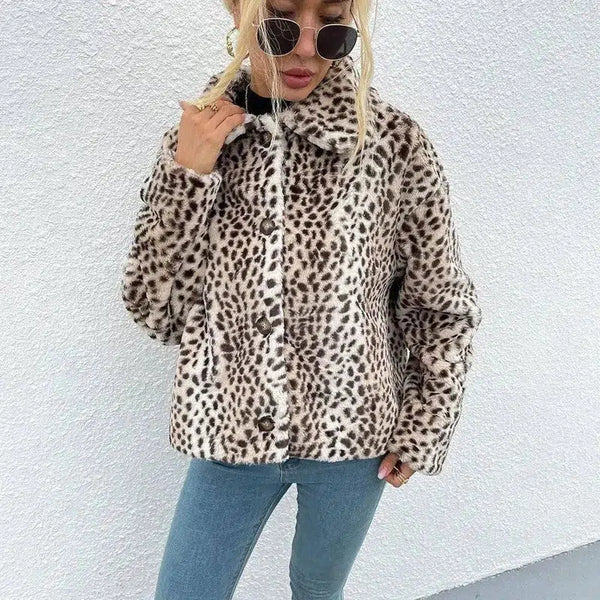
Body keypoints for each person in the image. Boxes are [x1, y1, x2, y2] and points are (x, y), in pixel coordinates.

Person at [121, 1, 483, 598]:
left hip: (355, 439)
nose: (308, 49)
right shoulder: (201, 140)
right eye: (282, 19)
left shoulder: (392, 143)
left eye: (333, 26)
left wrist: (425, 424)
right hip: (230, 436)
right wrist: (189, 177)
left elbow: (440, 305)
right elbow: (155, 311)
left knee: (318, 591)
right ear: (238, 10)